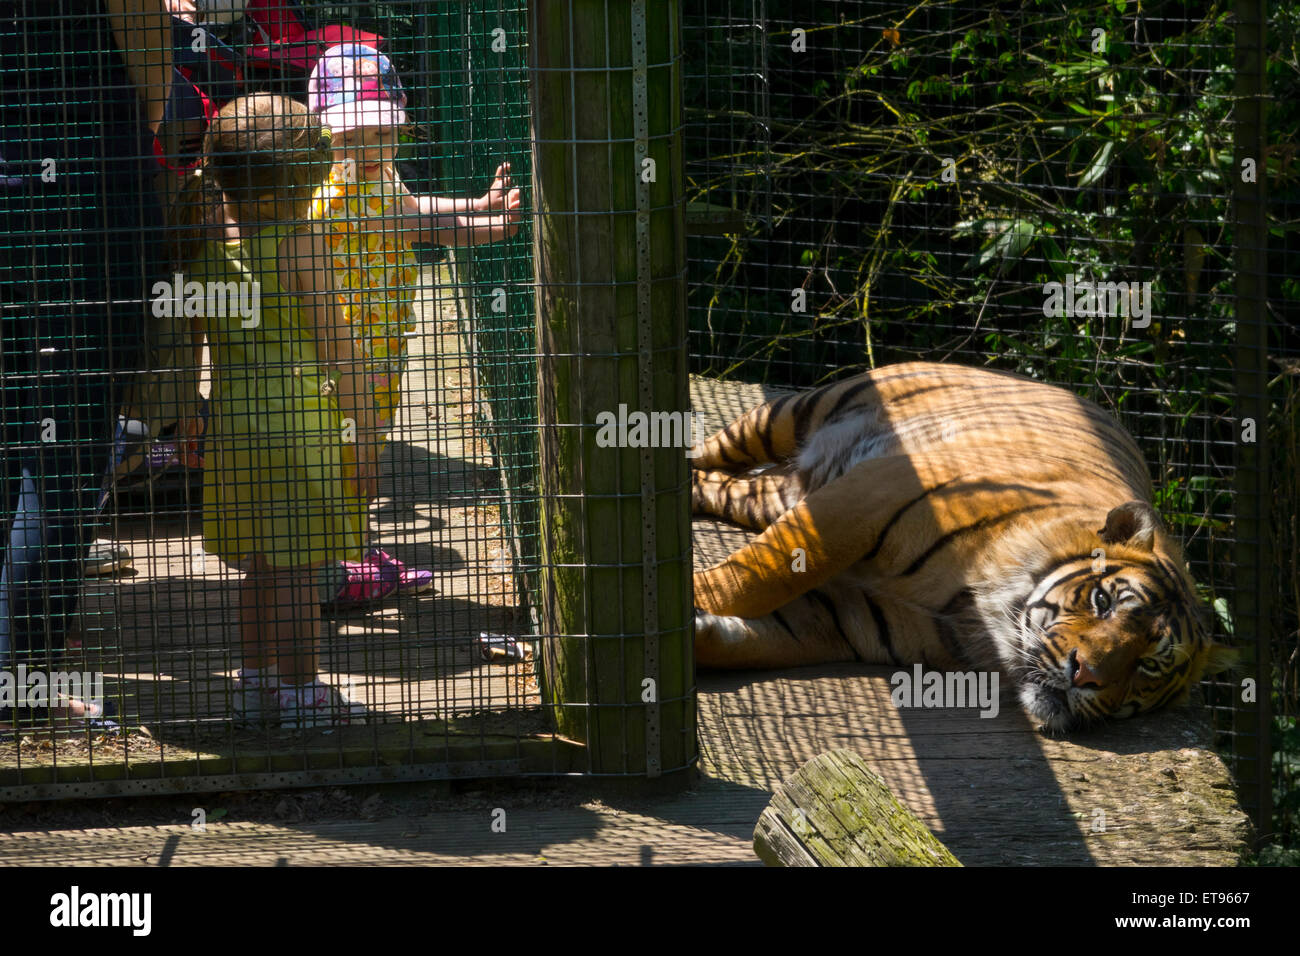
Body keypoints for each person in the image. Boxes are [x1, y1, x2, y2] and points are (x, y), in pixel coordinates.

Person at [171, 92, 375, 727]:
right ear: (302, 179)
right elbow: (340, 350)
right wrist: (363, 438)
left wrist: (186, 418)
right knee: (298, 569)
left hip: (234, 427)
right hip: (300, 432)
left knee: (259, 565)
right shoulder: (301, 245)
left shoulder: (205, 249)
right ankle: (303, 692)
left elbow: (191, 348)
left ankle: (255, 682)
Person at [0, 0, 172, 732]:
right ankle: (21, 685)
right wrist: (151, 108)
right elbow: (145, 44)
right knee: (62, 452)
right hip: (80, 188)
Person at [304, 43, 522, 609]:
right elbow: (423, 222)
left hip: (381, 349)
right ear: (323, 137)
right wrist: (487, 223)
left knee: (358, 461)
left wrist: (479, 206)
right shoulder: (335, 197)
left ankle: (348, 553)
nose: (368, 149)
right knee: (356, 463)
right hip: (347, 359)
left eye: (380, 134)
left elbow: (417, 209)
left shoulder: (379, 179)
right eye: (349, 139)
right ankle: (338, 567)